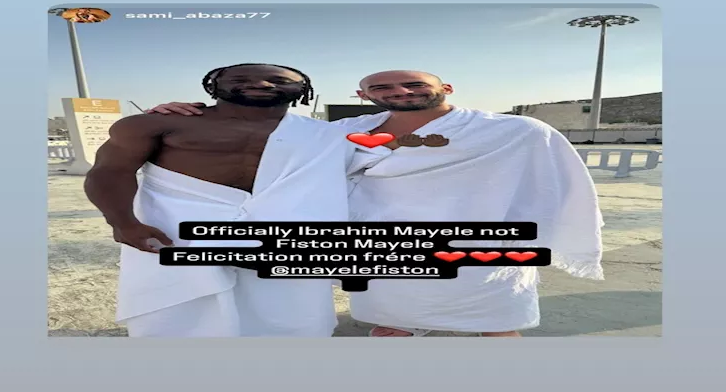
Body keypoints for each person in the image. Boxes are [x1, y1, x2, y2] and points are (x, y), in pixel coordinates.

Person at [146, 70, 605, 338]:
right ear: (363, 96)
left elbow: (556, 184)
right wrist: (193, 112)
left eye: (412, 84)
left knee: (495, 324)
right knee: (391, 319)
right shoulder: (341, 131)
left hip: (478, 244)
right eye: (383, 88)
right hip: (382, 245)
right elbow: (269, 137)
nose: (400, 92)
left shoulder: (517, 130)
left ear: (445, 86)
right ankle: (396, 347)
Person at [84, 63, 379, 337]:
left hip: (282, 240)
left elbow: (400, 136)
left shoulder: (328, 133)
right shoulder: (153, 124)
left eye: (278, 80)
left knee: (291, 316)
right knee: (179, 318)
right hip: (177, 232)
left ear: (304, 89)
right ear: (212, 85)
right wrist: (123, 222)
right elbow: (110, 171)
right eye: (240, 79)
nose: (262, 84)